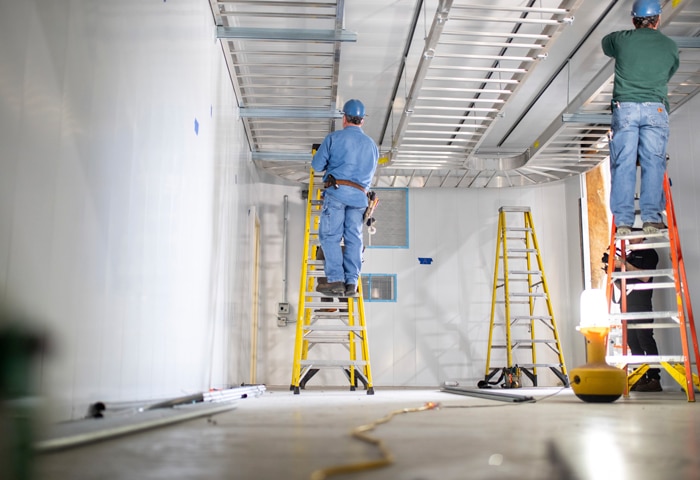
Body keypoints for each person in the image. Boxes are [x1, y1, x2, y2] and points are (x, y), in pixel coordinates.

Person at [602, 0, 679, 236]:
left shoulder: (621, 39)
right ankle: (651, 218)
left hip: (625, 108)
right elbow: (670, 70)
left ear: (633, 20)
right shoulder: (670, 46)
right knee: (652, 163)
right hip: (655, 109)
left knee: (623, 162)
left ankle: (624, 222)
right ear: (658, 19)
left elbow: (606, 44)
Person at [311, 99, 379, 297]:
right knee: (354, 239)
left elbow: (316, 166)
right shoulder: (372, 146)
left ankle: (336, 280)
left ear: (344, 118)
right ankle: (351, 282)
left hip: (337, 193)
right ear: (362, 121)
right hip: (360, 198)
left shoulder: (334, 138)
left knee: (330, 237)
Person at [610, 230, 662, 391]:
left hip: (641, 302)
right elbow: (621, 284)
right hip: (626, 303)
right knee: (632, 340)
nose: (630, 238)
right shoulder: (629, 256)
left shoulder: (650, 253)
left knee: (645, 338)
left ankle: (654, 379)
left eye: (633, 234)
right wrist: (612, 270)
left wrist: (624, 265)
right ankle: (641, 377)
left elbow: (645, 277)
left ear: (642, 236)